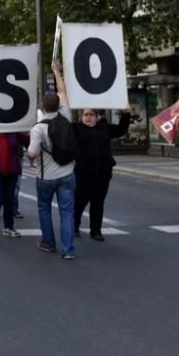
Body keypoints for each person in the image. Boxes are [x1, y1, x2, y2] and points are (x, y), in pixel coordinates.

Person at [51, 65, 132, 241]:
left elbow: (121, 130)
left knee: (98, 202)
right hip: (82, 173)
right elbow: (61, 129)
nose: (88, 117)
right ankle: (75, 225)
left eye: (91, 115)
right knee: (79, 201)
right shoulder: (76, 129)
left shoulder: (104, 128)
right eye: (86, 114)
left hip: (102, 173)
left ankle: (96, 230)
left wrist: (126, 114)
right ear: (81, 116)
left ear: (97, 116)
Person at [27, 82, 76, 260]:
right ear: (58, 106)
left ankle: (48, 243)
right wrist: (57, 72)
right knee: (66, 212)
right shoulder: (66, 116)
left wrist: (30, 160)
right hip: (67, 173)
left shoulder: (38, 128)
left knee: (44, 209)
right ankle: (68, 250)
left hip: (46, 175)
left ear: (42, 107)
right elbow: (63, 91)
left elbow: (32, 152)